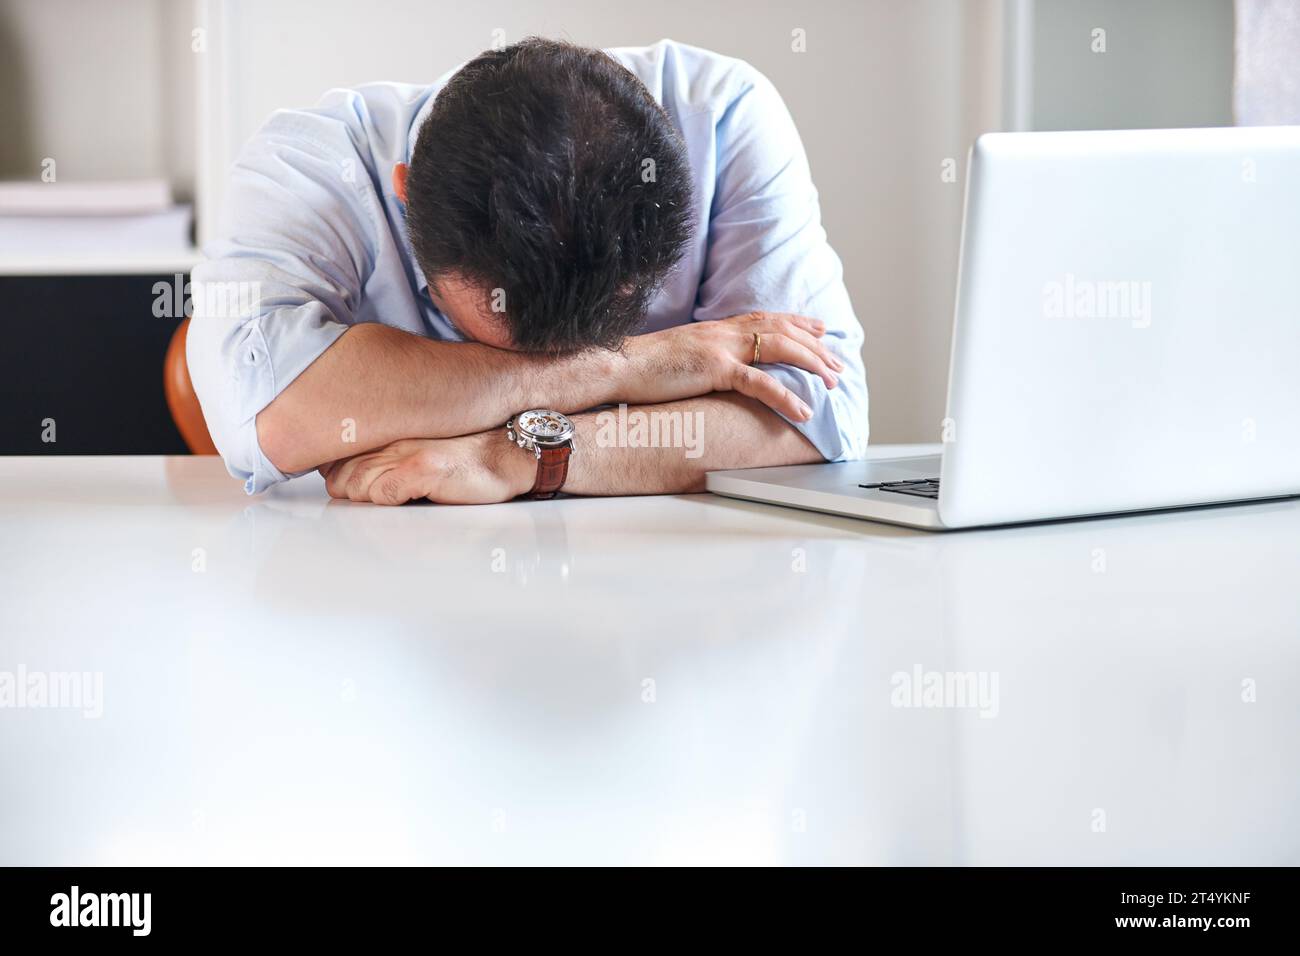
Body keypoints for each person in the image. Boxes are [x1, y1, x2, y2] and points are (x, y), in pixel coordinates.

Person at [188, 38, 868, 504]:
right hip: (382, 585)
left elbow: (816, 416)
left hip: (653, 585)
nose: (562, 362)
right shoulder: (310, 165)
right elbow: (268, 409)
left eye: (602, 334)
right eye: (503, 336)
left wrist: (519, 456)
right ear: (406, 196)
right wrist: (627, 365)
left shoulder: (722, 117)